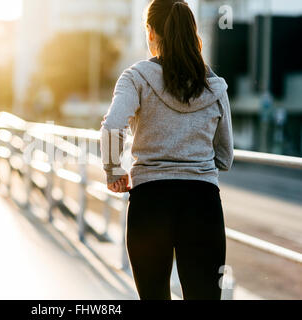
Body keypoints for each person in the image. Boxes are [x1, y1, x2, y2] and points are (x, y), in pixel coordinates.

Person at [100, 0, 234, 300]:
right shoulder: (215, 86)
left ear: (151, 33)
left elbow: (111, 127)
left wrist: (113, 170)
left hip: (150, 203)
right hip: (202, 205)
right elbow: (225, 157)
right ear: (191, 32)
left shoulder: (135, 77)